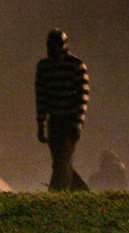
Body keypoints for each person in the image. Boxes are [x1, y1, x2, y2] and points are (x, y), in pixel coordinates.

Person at [35, 28, 90, 191]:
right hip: (55, 120)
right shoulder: (44, 67)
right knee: (60, 161)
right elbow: (41, 96)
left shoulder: (76, 65)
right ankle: (79, 190)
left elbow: (82, 96)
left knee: (62, 161)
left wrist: (78, 122)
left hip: (69, 119)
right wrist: (41, 123)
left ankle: (55, 193)